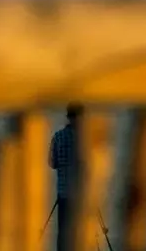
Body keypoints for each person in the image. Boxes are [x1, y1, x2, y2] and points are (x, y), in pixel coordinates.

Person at [49, 104, 82, 251]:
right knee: (81, 233)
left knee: (62, 233)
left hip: (63, 194)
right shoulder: (83, 138)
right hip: (81, 194)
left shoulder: (57, 136)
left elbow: (52, 163)